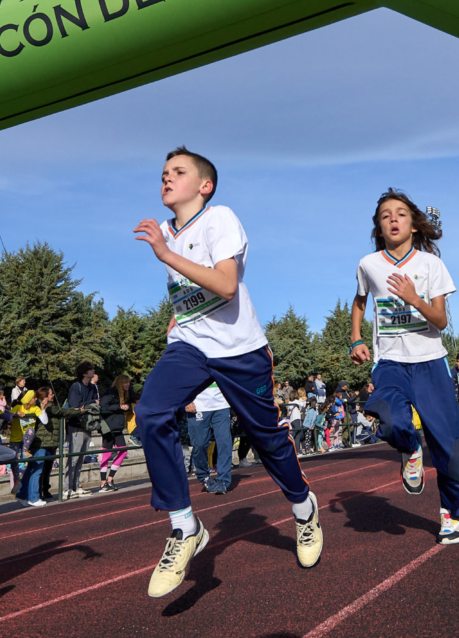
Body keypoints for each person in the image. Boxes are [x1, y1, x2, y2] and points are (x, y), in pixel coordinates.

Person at [132, 146, 322, 598]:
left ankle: (303, 509)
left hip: (239, 349)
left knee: (267, 439)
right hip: (191, 346)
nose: (165, 178)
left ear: (204, 185)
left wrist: (165, 254)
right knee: (151, 413)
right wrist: (177, 316)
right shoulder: (167, 232)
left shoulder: (219, 219)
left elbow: (225, 283)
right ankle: (184, 527)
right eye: (162, 173)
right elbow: (193, 293)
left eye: (177, 172)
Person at [350, 188, 459, 546]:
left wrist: (413, 298)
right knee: (389, 418)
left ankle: (452, 514)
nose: (393, 219)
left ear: (414, 225)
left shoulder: (431, 266)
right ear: (379, 228)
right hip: (389, 362)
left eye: (400, 214)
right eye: (386, 215)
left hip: (431, 363)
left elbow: (440, 321)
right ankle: (410, 449)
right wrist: (356, 338)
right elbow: (358, 302)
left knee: (450, 449)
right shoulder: (368, 265)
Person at [185, 383, 233, 495]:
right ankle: (204, 476)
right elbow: (180, 378)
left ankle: (223, 479)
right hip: (197, 406)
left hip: (222, 405)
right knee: (200, 444)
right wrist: (186, 400)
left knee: (224, 442)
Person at [64, 361, 99, 499]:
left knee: (81, 458)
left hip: (87, 425)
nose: (93, 372)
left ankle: (75, 485)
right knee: (73, 457)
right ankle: (67, 488)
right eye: (91, 370)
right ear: (85, 372)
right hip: (76, 426)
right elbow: (74, 406)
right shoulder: (76, 386)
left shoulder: (91, 387)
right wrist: (90, 404)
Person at [98, 375, 133, 491]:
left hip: (118, 428)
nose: (128, 385)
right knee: (106, 454)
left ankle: (110, 478)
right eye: (125, 383)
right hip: (109, 427)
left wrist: (127, 407)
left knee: (123, 451)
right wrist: (119, 407)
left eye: (128, 383)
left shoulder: (126, 394)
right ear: (120, 383)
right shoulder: (111, 392)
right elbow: (103, 406)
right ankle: (103, 482)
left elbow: (127, 406)